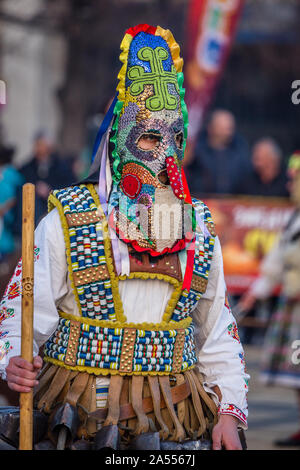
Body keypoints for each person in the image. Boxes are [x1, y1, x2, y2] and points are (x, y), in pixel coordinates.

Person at [0, 24, 249, 451]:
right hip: (78, 417)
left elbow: (217, 329)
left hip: (175, 416)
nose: (163, 155)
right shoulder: (67, 220)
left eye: (174, 139)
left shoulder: (201, 230)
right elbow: (21, 313)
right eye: (151, 137)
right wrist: (12, 362)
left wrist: (228, 409)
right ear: (117, 140)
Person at [239, 150, 300, 446]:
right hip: (294, 306)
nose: (289, 186)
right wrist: (255, 293)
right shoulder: (294, 220)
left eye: (295, 180)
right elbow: (276, 259)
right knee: (296, 370)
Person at [186, 109, 251, 195]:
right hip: (201, 201)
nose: (227, 132)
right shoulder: (197, 150)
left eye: (229, 128)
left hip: (233, 202)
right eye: (222, 128)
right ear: (210, 128)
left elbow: (246, 179)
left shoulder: (240, 151)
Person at [19, 131, 76, 224]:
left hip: (55, 213)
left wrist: (50, 190)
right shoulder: (27, 167)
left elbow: (69, 186)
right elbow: (23, 180)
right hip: (32, 213)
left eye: (42, 145)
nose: (39, 148)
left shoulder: (62, 167)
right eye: (37, 145)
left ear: (49, 147)